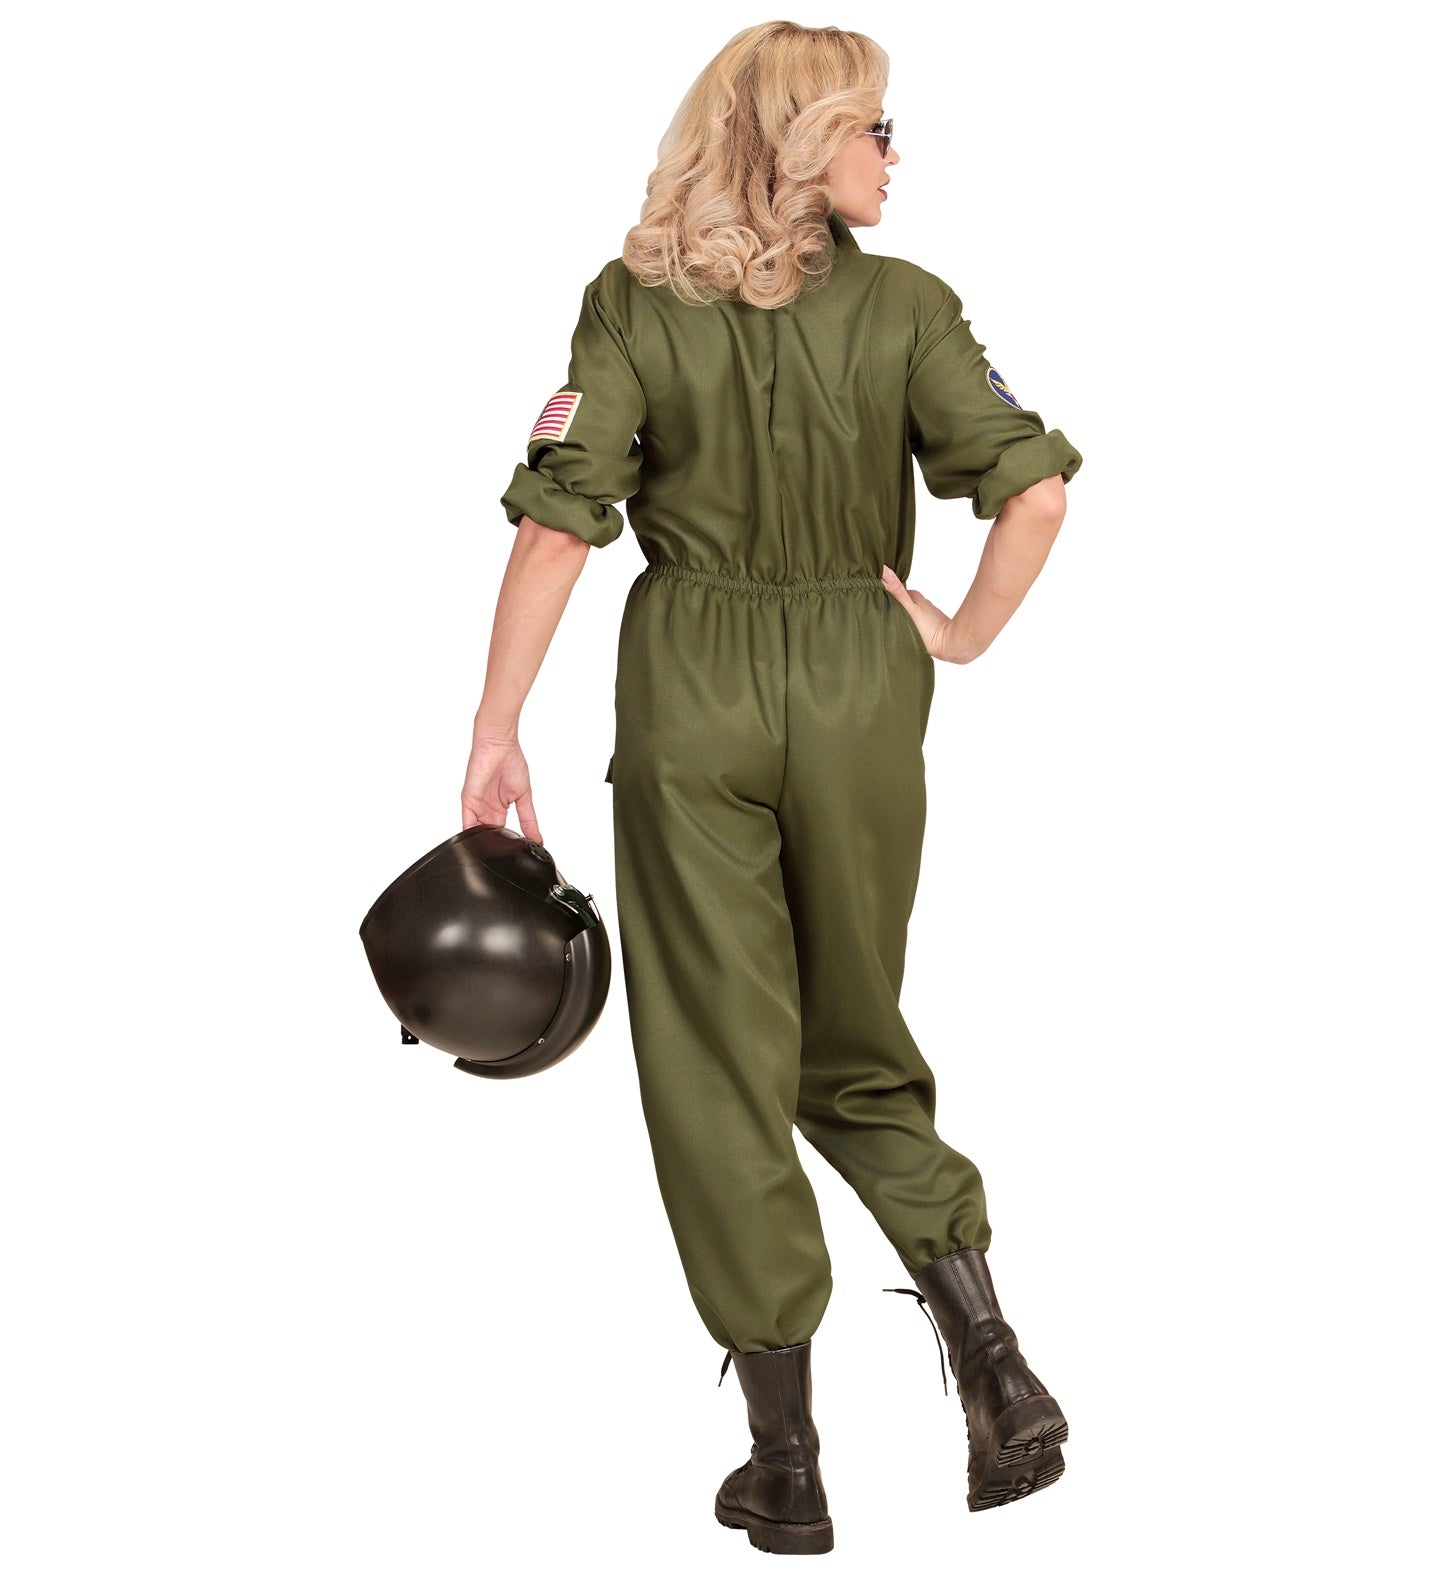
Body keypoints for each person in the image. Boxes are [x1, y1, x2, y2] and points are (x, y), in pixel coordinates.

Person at [461, 21, 1082, 1556]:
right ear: (801, 145)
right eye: (873, 128)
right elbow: (1033, 489)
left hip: (694, 690)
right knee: (850, 1041)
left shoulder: (631, 304)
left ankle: (786, 1464)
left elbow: (556, 525)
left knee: (719, 1063)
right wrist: (958, 635)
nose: (892, 155)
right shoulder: (910, 308)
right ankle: (994, 1366)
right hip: (862, 689)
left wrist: (496, 726)